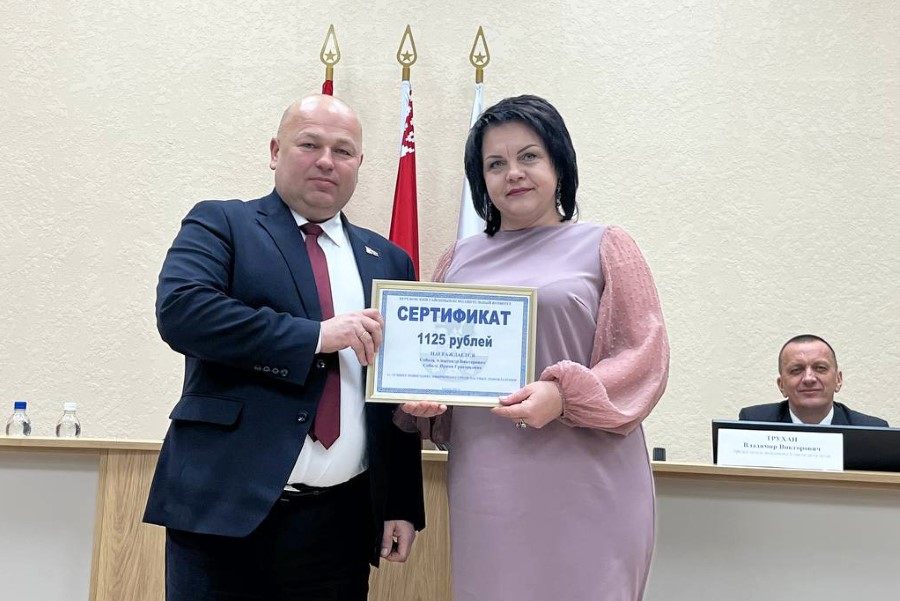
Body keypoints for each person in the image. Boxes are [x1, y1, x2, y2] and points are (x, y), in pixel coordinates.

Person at [143, 94, 425, 601]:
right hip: (223, 516)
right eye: (309, 144)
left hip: (340, 526)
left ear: (359, 163)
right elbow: (183, 311)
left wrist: (400, 502)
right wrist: (316, 336)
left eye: (343, 150)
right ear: (276, 151)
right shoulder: (222, 224)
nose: (326, 161)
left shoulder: (389, 260)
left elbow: (394, 391)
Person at [397, 95, 670, 601]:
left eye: (529, 156)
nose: (513, 174)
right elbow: (435, 362)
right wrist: (424, 398)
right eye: (495, 164)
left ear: (558, 163)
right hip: (488, 480)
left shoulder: (606, 244)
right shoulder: (458, 260)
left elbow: (644, 356)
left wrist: (565, 396)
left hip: (589, 478)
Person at [739, 334, 888, 426]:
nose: (809, 378)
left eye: (820, 368)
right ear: (782, 385)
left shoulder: (871, 432)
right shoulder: (754, 423)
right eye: (796, 370)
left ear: (838, 380)